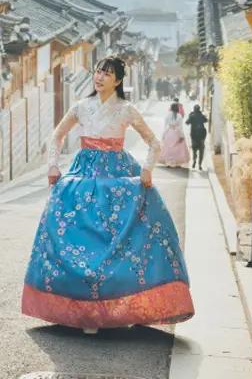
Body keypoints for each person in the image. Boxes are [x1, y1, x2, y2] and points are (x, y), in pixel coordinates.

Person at [22, 57, 194, 333]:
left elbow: (154, 142)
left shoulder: (126, 109)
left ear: (118, 80)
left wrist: (148, 170)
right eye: (98, 71)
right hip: (83, 172)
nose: (100, 77)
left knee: (132, 236)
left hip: (116, 173)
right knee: (70, 234)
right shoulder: (81, 107)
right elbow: (56, 136)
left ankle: (118, 307)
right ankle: (81, 310)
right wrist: (53, 164)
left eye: (108, 73)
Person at [160, 102, 189, 168]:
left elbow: (165, 126)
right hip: (176, 133)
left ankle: (168, 162)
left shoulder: (167, 115)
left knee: (168, 148)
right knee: (178, 149)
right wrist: (181, 136)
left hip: (169, 132)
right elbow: (180, 127)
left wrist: (164, 134)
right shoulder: (179, 116)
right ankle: (177, 163)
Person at [187, 104, 209, 170]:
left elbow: (187, 122)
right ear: (199, 109)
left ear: (194, 109)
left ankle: (194, 160)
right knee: (201, 150)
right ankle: (200, 165)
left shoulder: (192, 116)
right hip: (202, 136)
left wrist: (190, 115)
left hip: (194, 136)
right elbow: (206, 120)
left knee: (194, 149)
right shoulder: (202, 116)